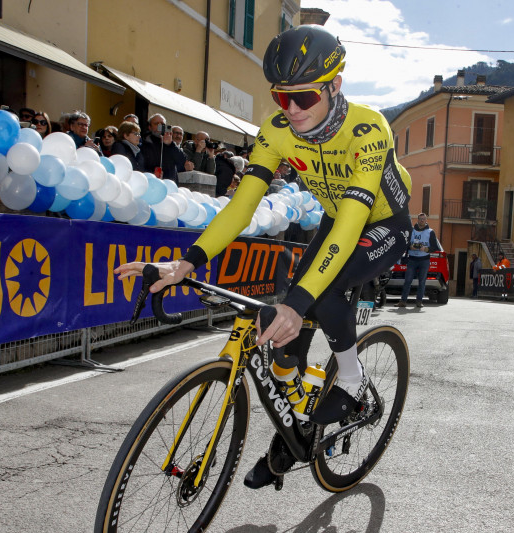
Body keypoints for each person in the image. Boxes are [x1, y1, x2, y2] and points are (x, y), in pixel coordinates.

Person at [114, 25, 412, 490]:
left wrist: (298, 302)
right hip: (337, 221)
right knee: (283, 346)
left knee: (317, 292)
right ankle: (296, 433)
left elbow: (354, 223)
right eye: (280, 98)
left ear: (336, 86)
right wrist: (186, 262)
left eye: (305, 98)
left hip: (381, 223)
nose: (291, 110)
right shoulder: (276, 132)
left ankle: (351, 378)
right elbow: (241, 206)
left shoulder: (368, 128)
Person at [396, 212, 443, 308]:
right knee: (407, 280)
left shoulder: (430, 232)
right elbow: (405, 243)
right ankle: (403, 301)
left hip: (424, 260)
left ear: (426, 220)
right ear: (417, 220)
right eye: (420, 219)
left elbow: (435, 247)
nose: (422, 221)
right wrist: (410, 247)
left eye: (424, 219)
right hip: (412, 259)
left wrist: (426, 249)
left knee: (422, 282)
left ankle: (419, 301)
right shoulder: (411, 230)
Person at [140, 114, 185, 181]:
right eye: (156, 124)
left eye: (162, 124)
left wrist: (170, 144)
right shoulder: (144, 144)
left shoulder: (171, 143)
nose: (160, 126)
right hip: (152, 181)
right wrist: (152, 174)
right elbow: (141, 165)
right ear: (150, 127)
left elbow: (181, 160)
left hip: (170, 183)